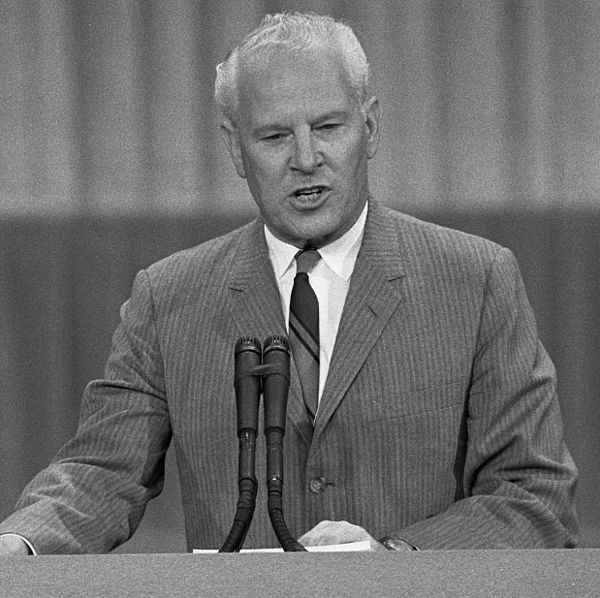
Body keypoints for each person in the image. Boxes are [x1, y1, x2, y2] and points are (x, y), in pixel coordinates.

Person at [0, 12, 577, 556]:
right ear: (235, 148)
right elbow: (100, 471)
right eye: (275, 137)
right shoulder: (169, 296)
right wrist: (20, 542)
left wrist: (396, 559)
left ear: (369, 128)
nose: (306, 158)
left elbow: (532, 496)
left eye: (327, 127)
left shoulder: (475, 279)